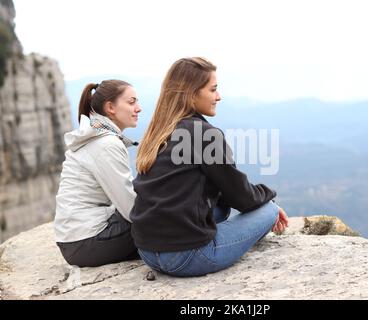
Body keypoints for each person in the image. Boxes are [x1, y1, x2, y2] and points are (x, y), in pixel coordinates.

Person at [131, 57, 289, 277]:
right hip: (187, 256)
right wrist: (268, 199)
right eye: (213, 89)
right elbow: (242, 197)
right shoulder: (205, 134)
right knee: (269, 210)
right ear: (192, 93)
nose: (218, 96)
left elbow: (225, 193)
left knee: (221, 206)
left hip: (147, 251)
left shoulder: (159, 131)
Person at [54, 80, 142, 267]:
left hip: (75, 240)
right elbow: (132, 210)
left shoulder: (98, 136)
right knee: (164, 216)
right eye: (131, 102)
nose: (138, 108)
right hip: (86, 242)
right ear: (110, 107)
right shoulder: (107, 144)